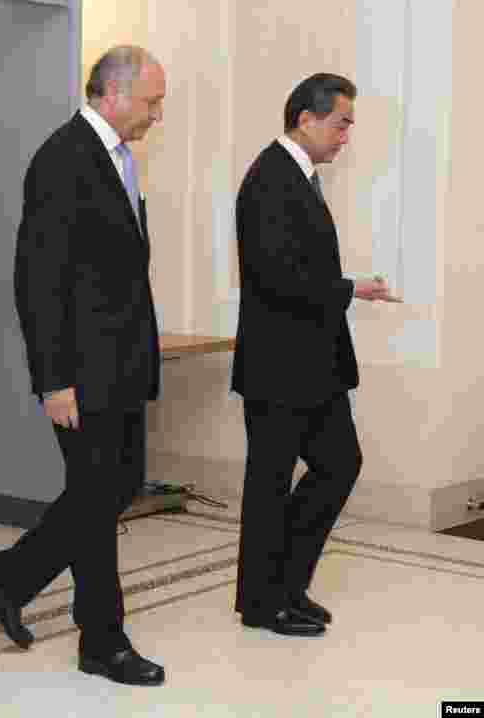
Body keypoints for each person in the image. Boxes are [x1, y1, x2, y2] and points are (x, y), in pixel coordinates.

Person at [0, 46, 166, 688]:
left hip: (119, 364)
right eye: (152, 100)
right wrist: (54, 379)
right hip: (81, 371)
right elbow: (39, 280)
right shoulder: (64, 157)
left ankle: (11, 576)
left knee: (112, 487)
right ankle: (102, 639)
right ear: (113, 93)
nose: (157, 114)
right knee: (97, 495)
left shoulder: (117, 158)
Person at [231, 73, 394, 636]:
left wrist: (346, 287)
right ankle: (262, 602)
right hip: (279, 367)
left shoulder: (299, 176)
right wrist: (351, 290)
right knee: (270, 484)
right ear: (306, 118)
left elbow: (302, 272)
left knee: (339, 464)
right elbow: (277, 279)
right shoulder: (268, 179)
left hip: (315, 366)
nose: (347, 135)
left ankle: (285, 584)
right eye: (341, 122)